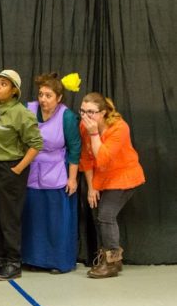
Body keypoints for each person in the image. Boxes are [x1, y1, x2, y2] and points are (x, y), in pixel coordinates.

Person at [0, 70, 43, 281]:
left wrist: (18, 169)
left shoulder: (22, 113)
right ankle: (0, 258)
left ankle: (14, 262)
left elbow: (36, 144)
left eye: (3, 84)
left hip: (10, 168)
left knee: (8, 218)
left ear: (14, 91)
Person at [79, 92, 145, 278]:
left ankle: (112, 262)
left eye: (91, 112)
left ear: (103, 112)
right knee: (98, 217)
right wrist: (91, 187)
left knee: (106, 215)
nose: (86, 116)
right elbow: (86, 159)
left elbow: (103, 159)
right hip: (102, 178)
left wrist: (94, 133)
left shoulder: (119, 128)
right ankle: (108, 256)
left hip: (124, 176)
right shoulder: (84, 127)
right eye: (83, 111)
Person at [21, 73, 81, 274]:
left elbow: (74, 149)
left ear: (59, 98)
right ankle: (32, 259)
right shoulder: (28, 110)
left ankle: (57, 262)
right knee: (33, 219)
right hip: (32, 172)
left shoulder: (68, 117)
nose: (43, 99)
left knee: (56, 221)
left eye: (48, 96)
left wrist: (72, 178)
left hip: (57, 173)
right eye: (41, 95)